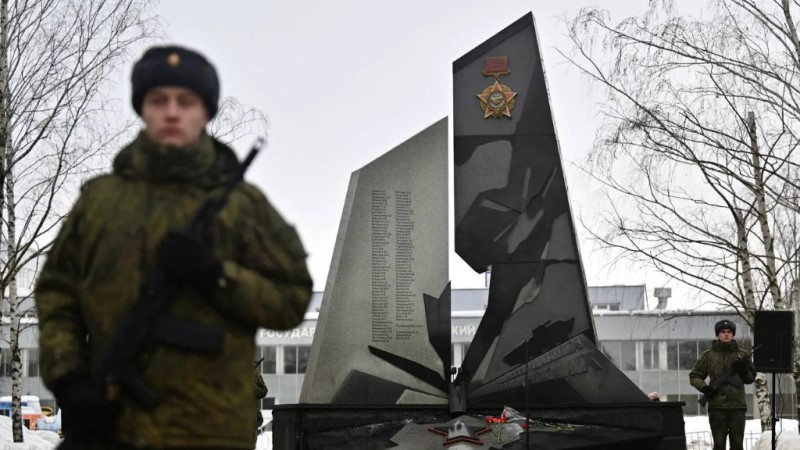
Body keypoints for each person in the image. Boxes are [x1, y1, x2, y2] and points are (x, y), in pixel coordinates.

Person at [34, 45, 313, 449]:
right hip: (112, 424)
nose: (171, 112)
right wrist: (69, 378)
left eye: (186, 101)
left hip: (212, 431)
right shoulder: (100, 202)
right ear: (142, 109)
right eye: (158, 100)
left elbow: (292, 298)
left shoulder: (243, 207)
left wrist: (215, 274)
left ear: (207, 113)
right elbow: (58, 294)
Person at [689, 319, 756, 450]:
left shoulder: (742, 355)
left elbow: (750, 378)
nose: (726, 334)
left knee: (737, 444)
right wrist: (705, 388)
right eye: (723, 332)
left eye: (729, 332)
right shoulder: (709, 356)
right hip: (717, 406)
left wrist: (742, 370)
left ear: (733, 334)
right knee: (719, 445)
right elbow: (694, 376)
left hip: (737, 406)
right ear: (717, 335)